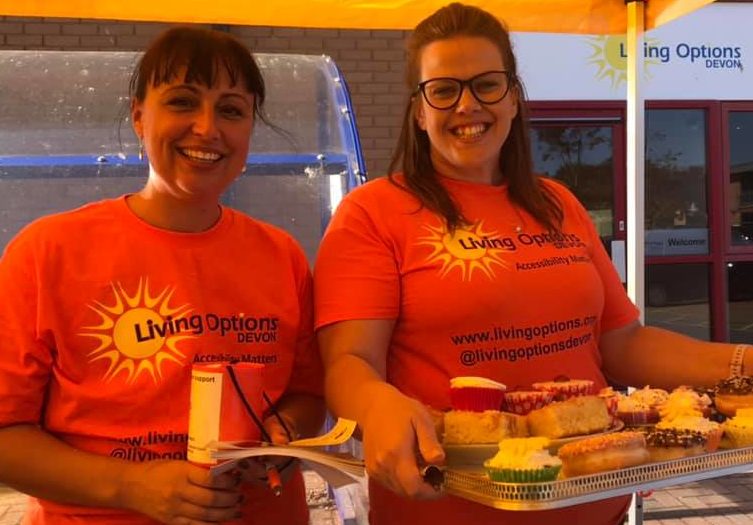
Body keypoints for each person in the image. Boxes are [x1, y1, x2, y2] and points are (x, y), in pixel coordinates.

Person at [313, 3, 751, 524]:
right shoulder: (374, 212)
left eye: (487, 85)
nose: (466, 105)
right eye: (444, 90)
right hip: (449, 510)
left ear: (515, 98)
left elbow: (622, 344)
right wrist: (375, 405)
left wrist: (742, 365)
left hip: (595, 504)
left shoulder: (557, 203)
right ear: (419, 111)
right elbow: (348, 365)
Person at [0, 26, 325, 525]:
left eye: (232, 110)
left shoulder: (281, 255)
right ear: (138, 117)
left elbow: (307, 396)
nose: (207, 127)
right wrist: (131, 486)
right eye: (182, 102)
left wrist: (283, 436)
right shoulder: (48, 252)